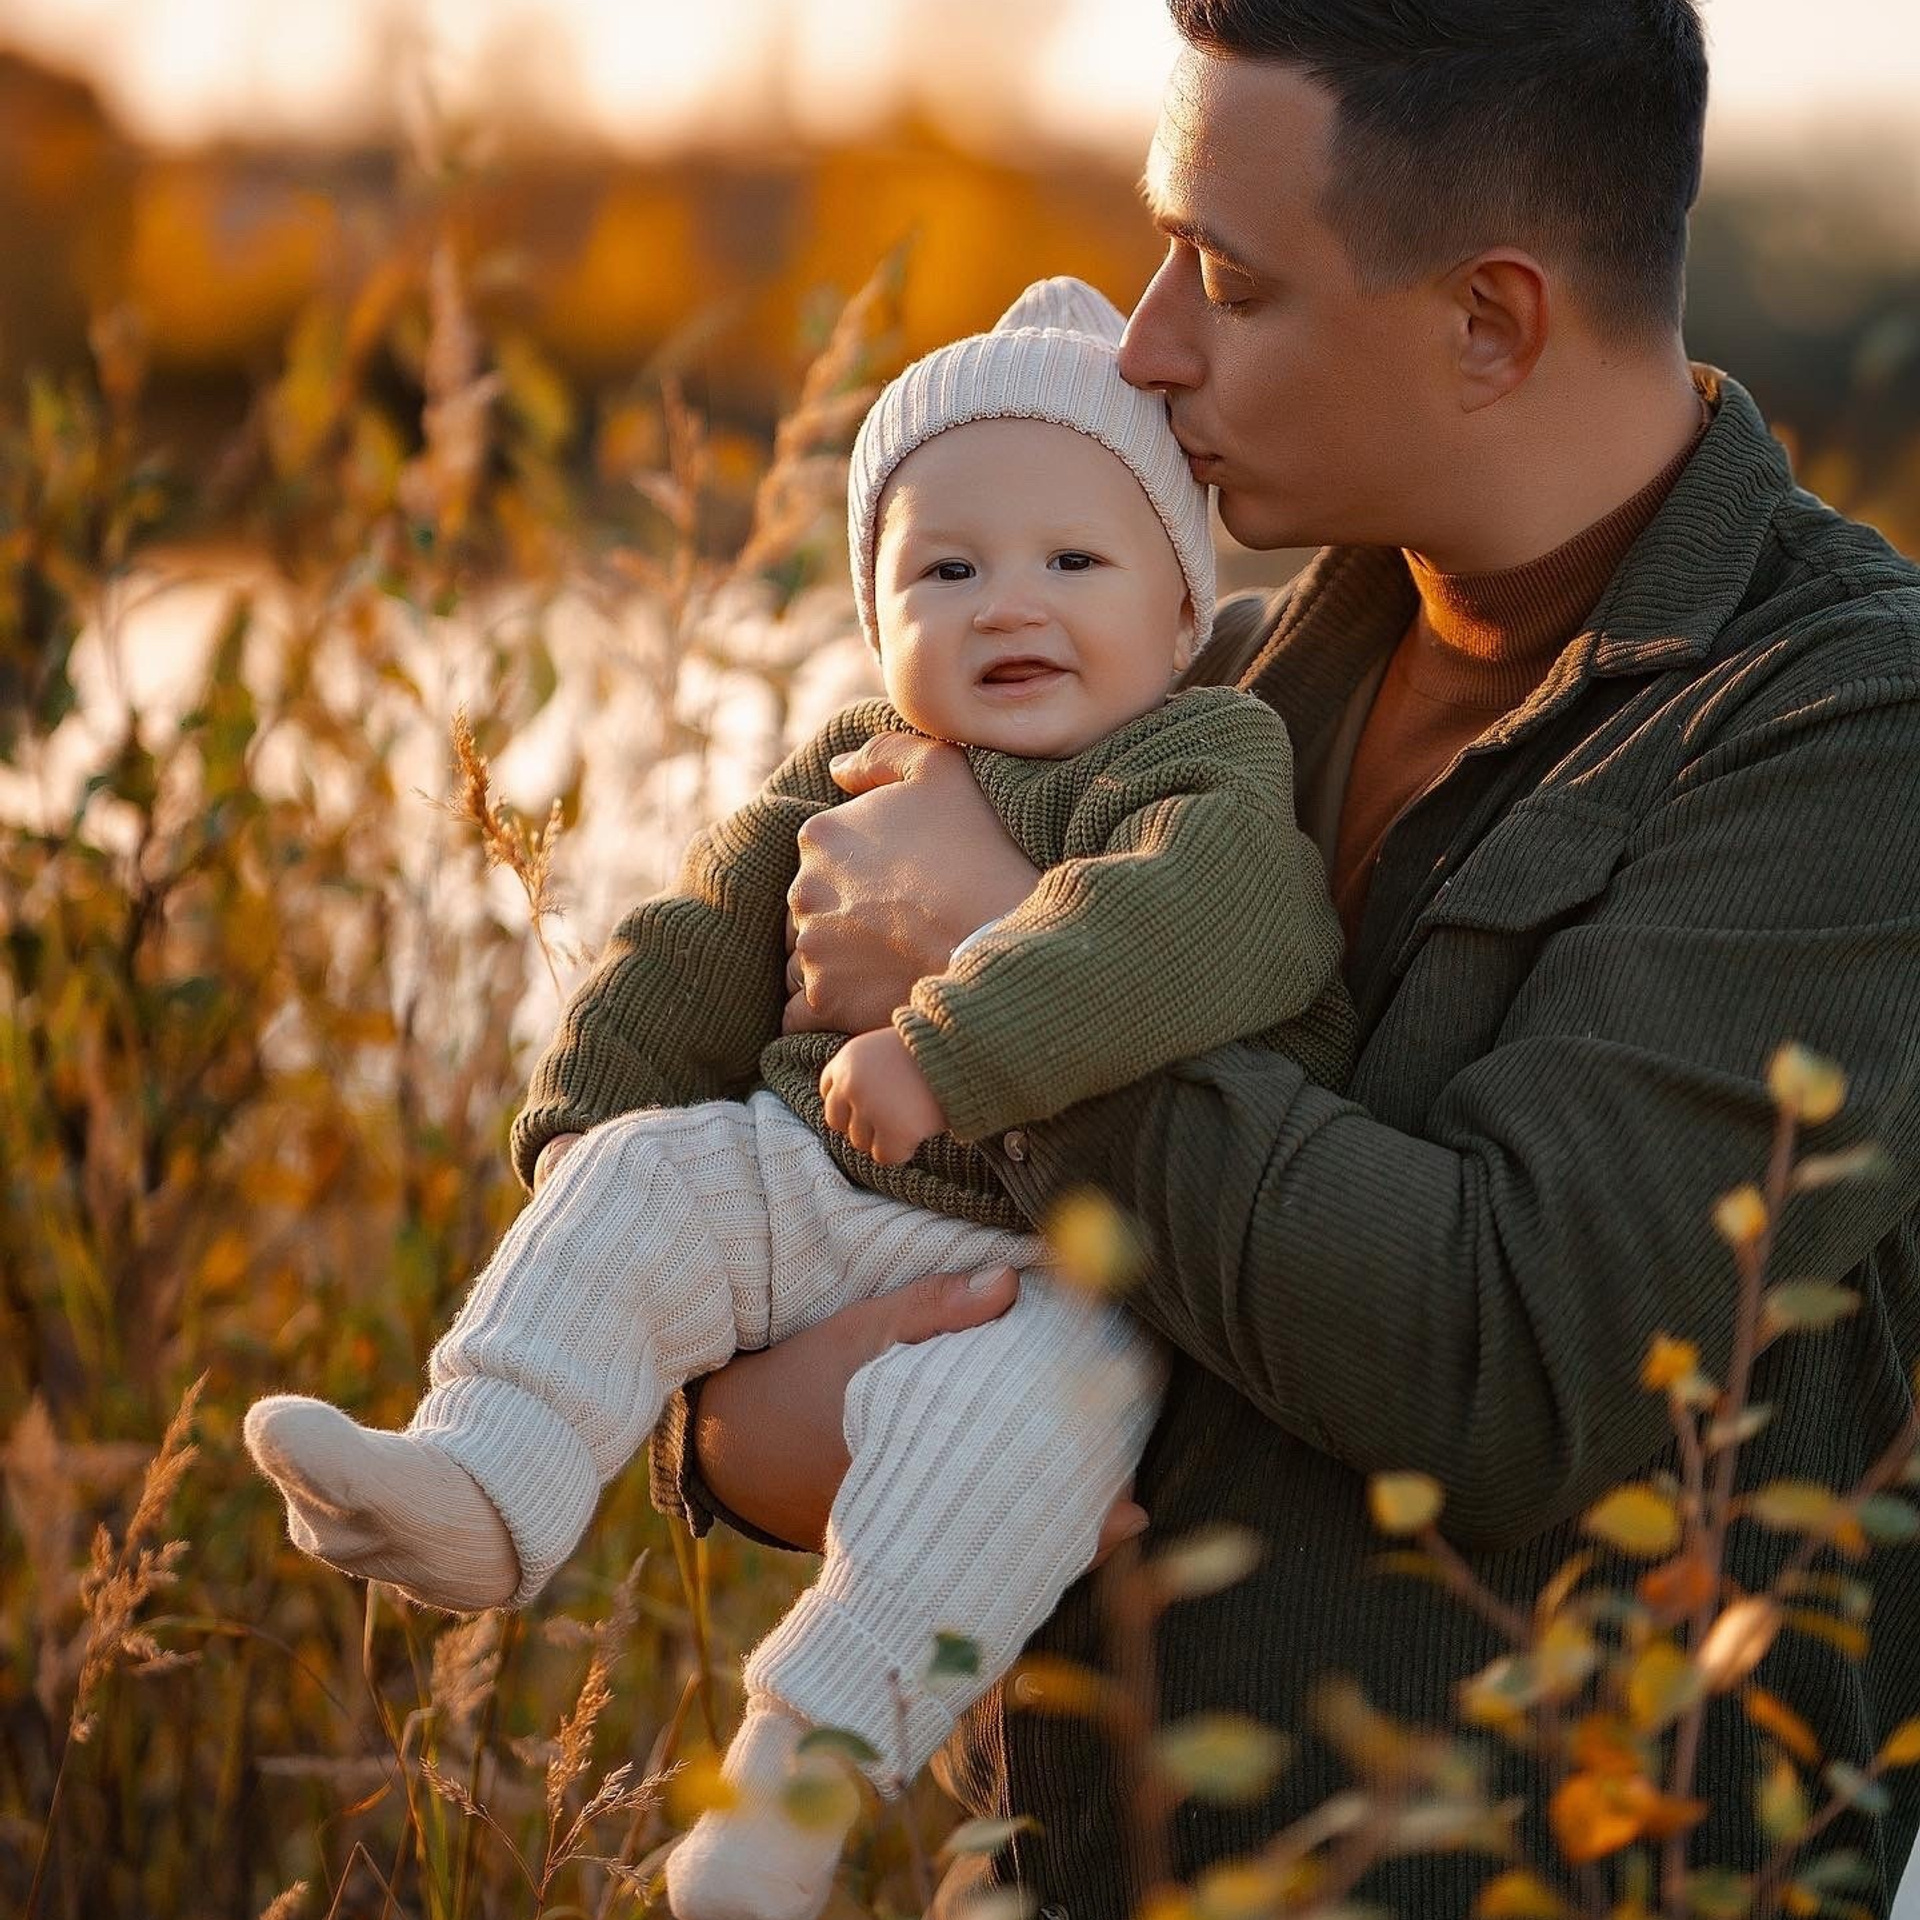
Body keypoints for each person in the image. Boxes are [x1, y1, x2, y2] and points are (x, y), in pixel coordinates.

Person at [653, 3, 1920, 1913]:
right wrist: (739, 1433)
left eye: (1229, 283)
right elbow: (786, 1210)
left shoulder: (1844, 732)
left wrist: (1016, 977)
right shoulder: (1195, 695)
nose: (1146, 346)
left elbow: (1512, 1354)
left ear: (1490, 321)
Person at [243, 276, 1355, 1920]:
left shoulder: (1196, 768)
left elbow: (1204, 932)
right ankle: (484, 1484)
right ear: (878, 613)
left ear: (1184, 610)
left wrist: (947, 1046)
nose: (1007, 606)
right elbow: (690, 944)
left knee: (989, 1449)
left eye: (1074, 562)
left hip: (1069, 1262)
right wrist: (581, 1153)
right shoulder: (854, 753)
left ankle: (789, 1795)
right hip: (823, 1182)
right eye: (948, 569)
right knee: (648, 1184)